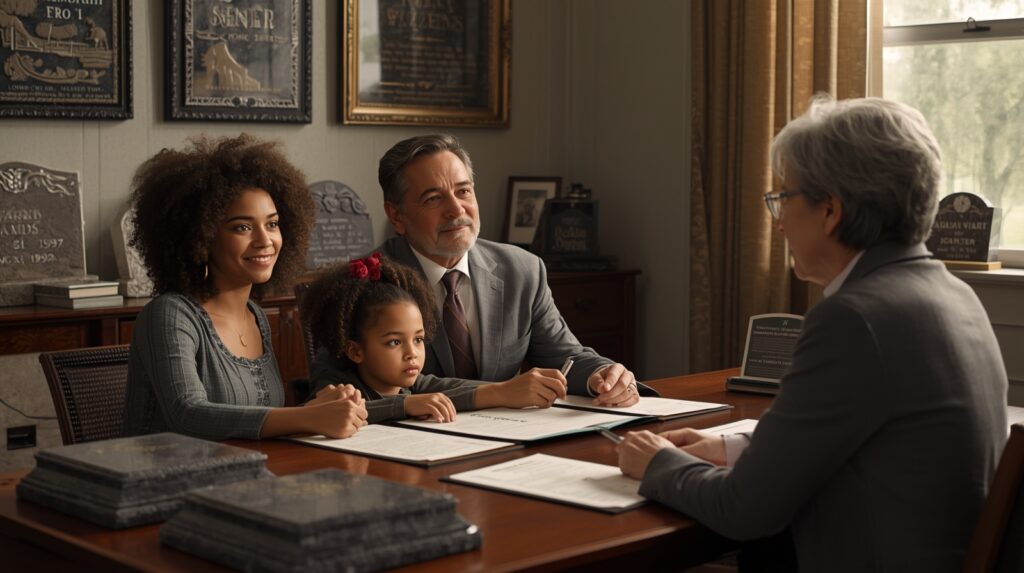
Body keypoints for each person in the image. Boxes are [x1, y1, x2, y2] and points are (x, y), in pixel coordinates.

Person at [617, 96, 1008, 571]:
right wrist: (732, 447)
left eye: (784, 199)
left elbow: (742, 510)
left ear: (830, 211)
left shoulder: (855, 319)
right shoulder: (952, 293)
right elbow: (871, 441)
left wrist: (657, 461)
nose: (778, 223)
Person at [310, 134, 647, 406]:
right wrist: (497, 393)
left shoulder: (522, 270)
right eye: (433, 199)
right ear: (396, 216)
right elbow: (333, 387)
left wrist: (604, 375)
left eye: (464, 191)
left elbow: (566, 357)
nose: (456, 210)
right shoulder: (368, 280)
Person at [122, 134, 368, 441]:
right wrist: (306, 416)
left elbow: (259, 415)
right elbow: (187, 413)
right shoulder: (170, 315)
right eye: (242, 227)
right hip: (168, 482)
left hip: (246, 474)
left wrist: (321, 407)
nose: (265, 241)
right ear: (201, 236)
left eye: (273, 224)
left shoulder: (255, 315)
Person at [303, 253, 575, 424]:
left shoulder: (415, 384)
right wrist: (407, 405)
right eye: (395, 342)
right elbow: (344, 412)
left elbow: (454, 389)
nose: (412, 353)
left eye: (418, 340)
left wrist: (506, 390)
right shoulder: (337, 389)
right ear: (355, 351)